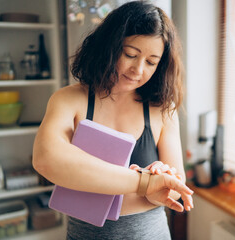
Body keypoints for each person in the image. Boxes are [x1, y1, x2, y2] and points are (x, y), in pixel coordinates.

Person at [32, 1, 193, 239]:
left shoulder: (161, 109)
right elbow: (46, 159)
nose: (138, 69)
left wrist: (162, 177)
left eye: (151, 62)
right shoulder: (69, 100)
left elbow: (178, 190)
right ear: (109, 46)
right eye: (130, 54)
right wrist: (143, 182)